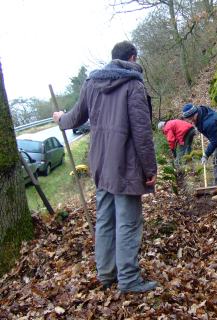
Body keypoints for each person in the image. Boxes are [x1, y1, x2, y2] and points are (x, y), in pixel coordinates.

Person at [53, 41, 158, 293]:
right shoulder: (133, 85)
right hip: (126, 167)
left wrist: (59, 119)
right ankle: (129, 280)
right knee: (128, 222)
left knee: (106, 221)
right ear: (132, 57)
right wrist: (150, 169)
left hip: (100, 165)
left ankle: (106, 274)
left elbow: (74, 118)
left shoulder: (91, 84)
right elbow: (142, 133)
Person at [182, 103, 217, 201]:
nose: (190, 121)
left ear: (195, 114)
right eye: (188, 119)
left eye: (191, 118)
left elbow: (214, 141)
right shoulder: (201, 112)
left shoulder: (209, 122)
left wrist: (206, 154)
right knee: (216, 161)